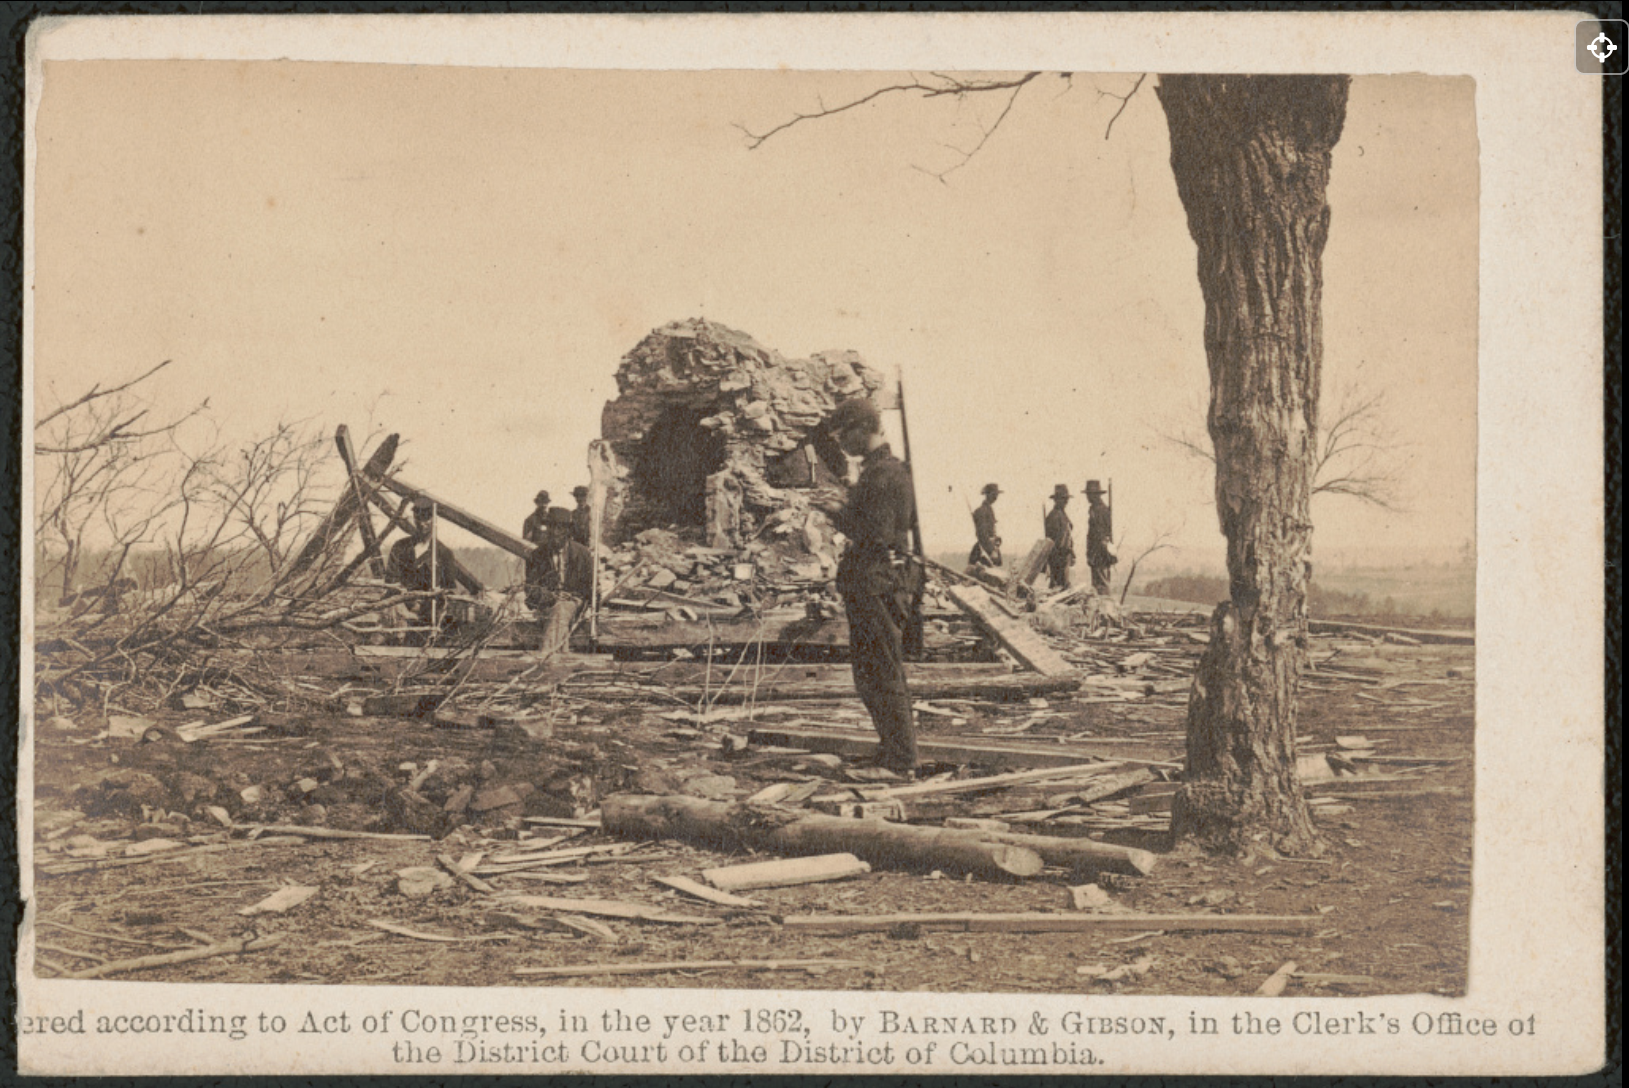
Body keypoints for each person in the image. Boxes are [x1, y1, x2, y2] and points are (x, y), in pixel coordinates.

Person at [818, 397, 921, 776]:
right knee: (871, 676)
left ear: (864, 428)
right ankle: (890, 752)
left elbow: (875, 534)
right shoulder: (880, 471)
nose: (842, 444)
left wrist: (838, 514)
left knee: (881, 674)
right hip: (874, 583)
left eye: (845, 435)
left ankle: (899, 761)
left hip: (876, 584)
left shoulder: (883, 474)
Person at [525, 507, 594, 653]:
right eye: (551, 527)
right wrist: (552, 597)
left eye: (560, 528)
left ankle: (546, 656)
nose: (555, 532)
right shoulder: (537, 555)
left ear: (568, 531)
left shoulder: (583, 554)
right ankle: (557, 657)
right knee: (559, 610)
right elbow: (530, 589)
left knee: (562, 608)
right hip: (545, 606)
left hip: (573, 605)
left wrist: (573, 597)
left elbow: (591, 588)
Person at [384, 501, 458, 625]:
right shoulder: (400, 547)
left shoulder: (444, 553)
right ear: (414, 519)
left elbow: (449, 588)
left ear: (434, 520)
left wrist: (433, 603)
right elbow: (391, 580)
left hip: (429, 613)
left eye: (426, 518)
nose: (422, 523)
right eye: (418, 517)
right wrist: (404, 605)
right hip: (400, 607)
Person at [1084, 479, 1118, 595]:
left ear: (1095, 495)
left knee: (1101, 583)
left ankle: (1106, 607)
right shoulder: (1095, 509)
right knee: (1097, 583)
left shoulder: (1100, 510)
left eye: (1089, 494)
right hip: (1096, 552)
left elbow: (1100, 535)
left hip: (1099, 552)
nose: (1087, 497)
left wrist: (1094, 553)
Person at [1043, 484, 1076, 591]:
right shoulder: (1053, 516)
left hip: (1064, 556)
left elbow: (1067, 536)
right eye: (1063, 499)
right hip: (1058, 557)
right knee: (1059, 586)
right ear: (1056, 500)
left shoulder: (1062, 514)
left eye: (1066, 499)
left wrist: (1071, 551)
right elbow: (1054, 541)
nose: (1066, 501)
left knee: (1062, 585)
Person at [968, 482, 1003, 569]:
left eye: (996, 494)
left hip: (989, 547)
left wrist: (996, 541)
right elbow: (982, 534)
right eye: (993, 494)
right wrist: (991, 551)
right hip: (983, 550)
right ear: (987, 495)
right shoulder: (982, 511)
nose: (996, 497)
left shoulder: (989, 510)